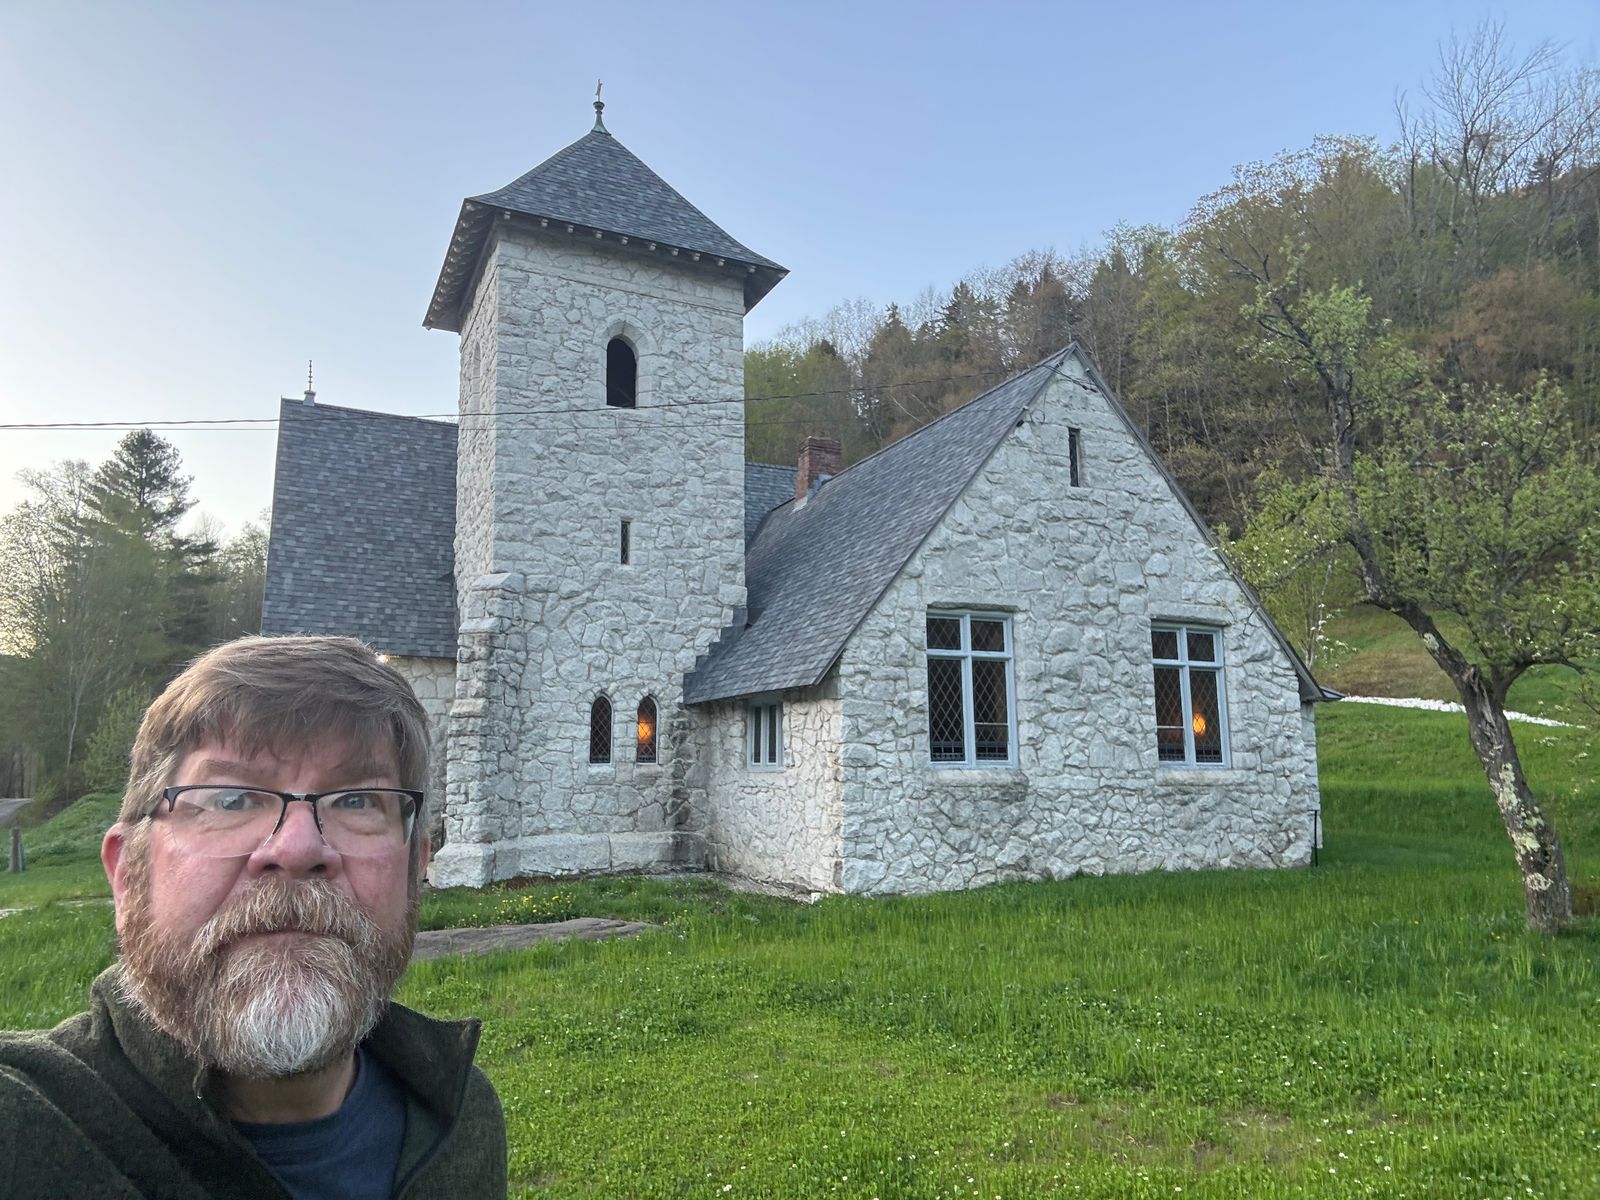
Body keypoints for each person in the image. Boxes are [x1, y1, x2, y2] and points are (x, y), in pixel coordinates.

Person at [0, 636, 506, 1198]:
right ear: (127, 877)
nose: (297, 848)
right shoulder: (27, 1126)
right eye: (231, 800)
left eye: (358, 800)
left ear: (416, 871)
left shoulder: (462, 1118)